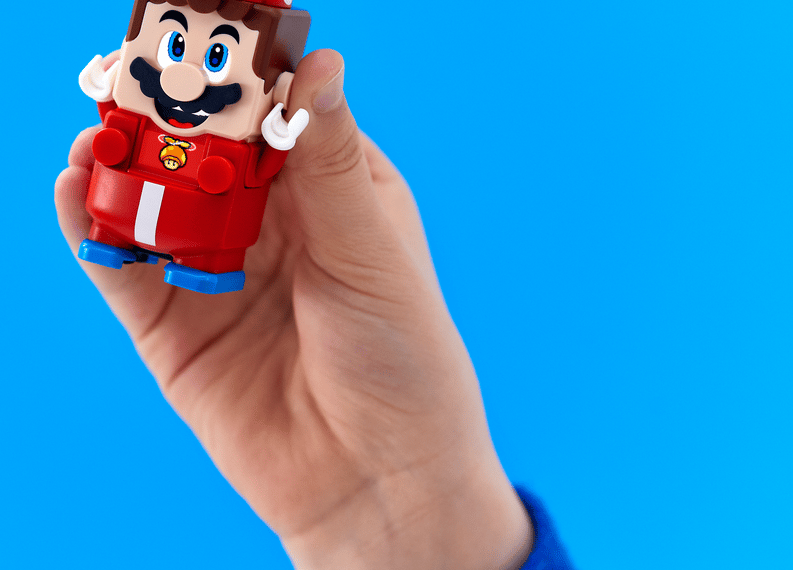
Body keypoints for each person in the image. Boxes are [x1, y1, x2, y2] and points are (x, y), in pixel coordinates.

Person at [56, 48, 575, 569]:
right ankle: (111, 234)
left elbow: (263, 156)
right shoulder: (145, 105)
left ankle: (193, 257)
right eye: (174, 45)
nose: (183, 74)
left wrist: (420, 494)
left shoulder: (239, 124)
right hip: (134, 189)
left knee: (212, 219)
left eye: (216, 54)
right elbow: (118, 107)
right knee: (106, 193)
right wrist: (106, 93)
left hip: (210, 205)